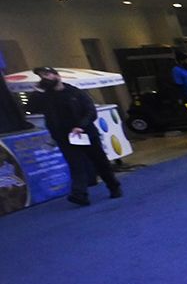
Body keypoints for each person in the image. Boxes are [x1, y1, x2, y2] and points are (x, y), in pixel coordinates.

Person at [28, 66, 122, 205]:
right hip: (63, 136)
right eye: (41, 76)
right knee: (76, 165)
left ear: (57, 76)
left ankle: (114, 186)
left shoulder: (75, 93)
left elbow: (90, 111)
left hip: (86, 133)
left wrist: (81, 126)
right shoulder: (45, 97)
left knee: (100, 162)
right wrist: (36, 93)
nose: (44, 78)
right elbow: (31, 109)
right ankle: (79, 194)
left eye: (47, 74)